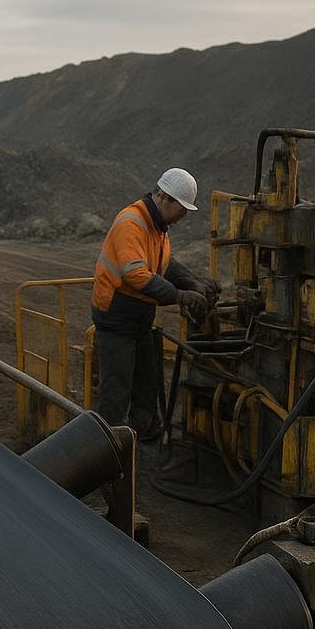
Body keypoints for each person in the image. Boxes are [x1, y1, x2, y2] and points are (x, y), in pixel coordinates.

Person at [91, 167, 217, 439]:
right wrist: (179, 296)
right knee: (116, 388)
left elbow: (163, 264)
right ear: (163, 197)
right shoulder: (132, 223)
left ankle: (145, 435)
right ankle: (104, 450)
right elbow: (135, 273)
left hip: (139, 318)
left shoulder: (158, 227)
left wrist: (192, 282)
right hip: (116, 317)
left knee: (147, 382)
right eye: (181, 208)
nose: (183, 215)